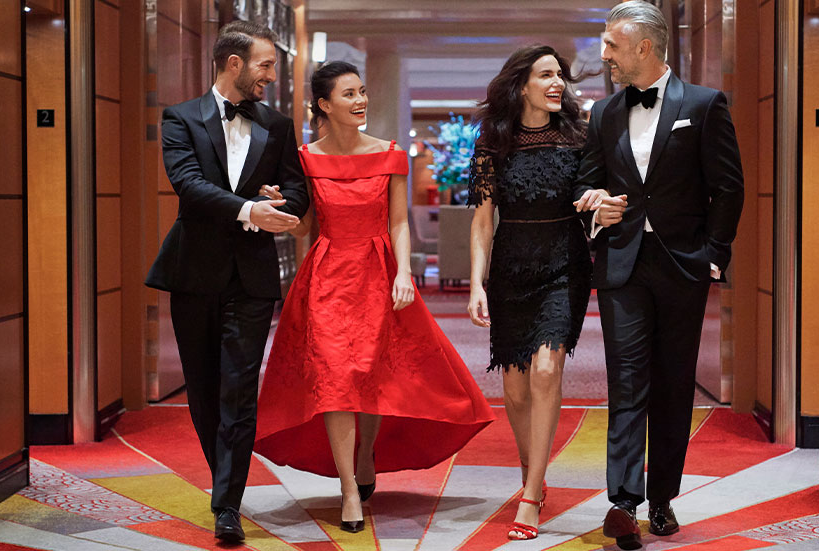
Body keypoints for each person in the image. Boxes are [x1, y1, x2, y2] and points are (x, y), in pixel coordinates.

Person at [253, 61, 495, 534]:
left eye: (362, 92)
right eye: (349, 94)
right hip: (325, 277)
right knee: (335, 378)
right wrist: (278, 205)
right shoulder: (306, 158)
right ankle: (348, 488)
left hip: (378, 272)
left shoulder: (390, 154)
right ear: (324, 105)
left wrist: (404, 272)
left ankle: (365, 451)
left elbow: (399, 222)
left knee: (369, 373)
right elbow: (305, 226)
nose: (361, 101)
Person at [573, 2, 744, 549]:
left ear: (644, 47)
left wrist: (714, 255)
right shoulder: (602, 113)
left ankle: (663, 499)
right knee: (626, 384)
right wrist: (595, 203)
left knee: (672, 385)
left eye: (612, 46)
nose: (605, 56)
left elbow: (729, 188)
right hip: (622, 266)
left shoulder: (705, 104)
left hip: (682, 266)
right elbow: (586, 185)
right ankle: (623, 503)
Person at [144, 21, 309, 543]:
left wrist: (280, 203)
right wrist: (249, 210)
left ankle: (227, 506)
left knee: (240, 389)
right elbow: (189, 187)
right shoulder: (180, 118)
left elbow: (298, 191)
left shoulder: (277, 125)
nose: (270, 78)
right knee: (204, 391)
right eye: (264, 67)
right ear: (233, 63)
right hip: (194, 272)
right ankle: (224, 482)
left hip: (252, 278)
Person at [467, 45, 607, 541]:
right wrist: (476, 283)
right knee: (515, 388)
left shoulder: (579, 138)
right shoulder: (493, 143)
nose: (557, 84)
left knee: (546, 370)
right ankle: (536, 474)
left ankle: (529, 493)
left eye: (561, 76)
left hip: (564, 265)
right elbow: (483, 220)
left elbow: (595, 198)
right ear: (520, 84)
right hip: (510, 269)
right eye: (546, 74)